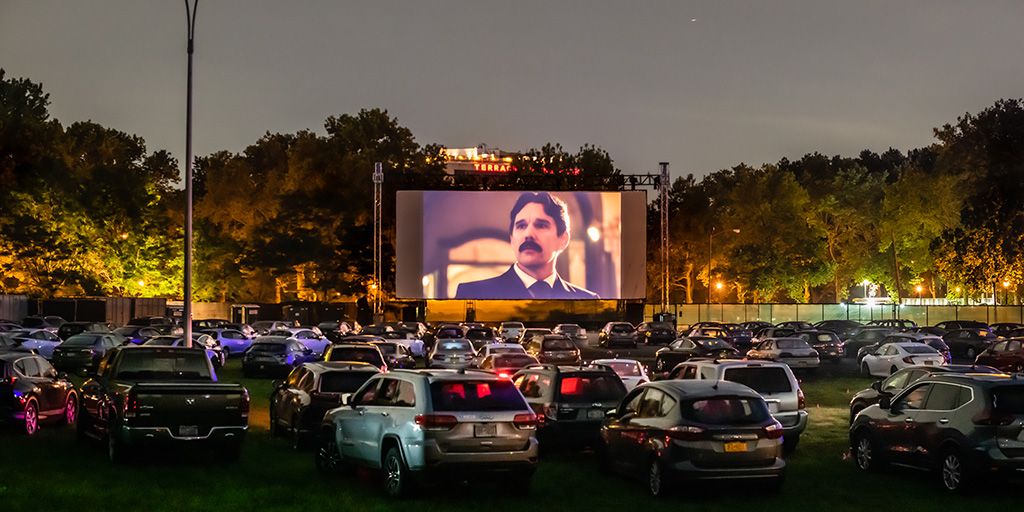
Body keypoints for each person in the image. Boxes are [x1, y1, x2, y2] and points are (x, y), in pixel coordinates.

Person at [454, 191, 599, 299]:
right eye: (521, 226)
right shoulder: (472, 294)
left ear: (563, 240)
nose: (528, 234)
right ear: (512, 239)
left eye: (541, 225)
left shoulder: (588, 300)